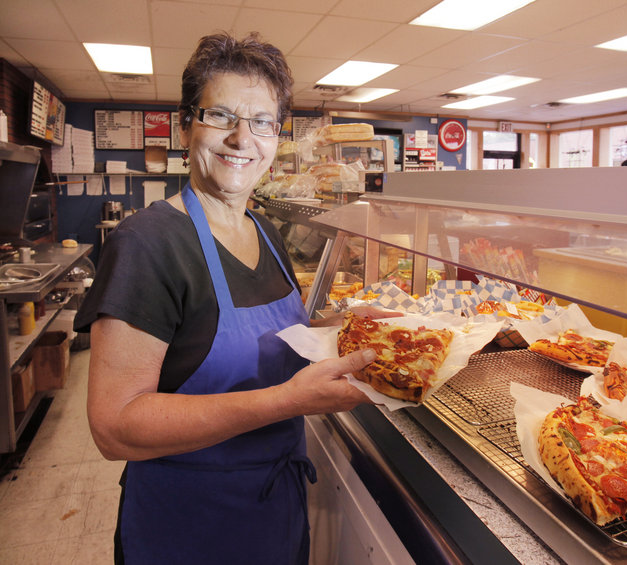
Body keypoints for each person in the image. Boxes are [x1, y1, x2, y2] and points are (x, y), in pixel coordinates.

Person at [75, 32, 392, 565]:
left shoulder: (265, 231)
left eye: (262, 121)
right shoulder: (146, 245)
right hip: (190, 526)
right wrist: (287, 401)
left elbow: (274, 337)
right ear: (185, 126)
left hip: (275, 512)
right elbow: (115, 428)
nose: (242, 139)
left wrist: (351, 325)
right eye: (220, 116)